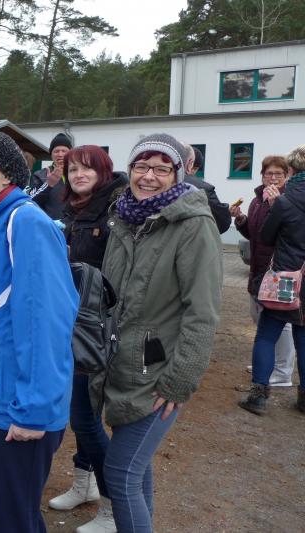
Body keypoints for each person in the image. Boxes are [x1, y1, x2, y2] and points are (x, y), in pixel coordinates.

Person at [90, 134, 222, 533]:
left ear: (178, 174)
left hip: (157, 374)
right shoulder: (123, 218)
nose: (149, 176)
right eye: (141, 166)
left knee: (120, 474)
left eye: (162, 169)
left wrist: (181, 379)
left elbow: (202, 313)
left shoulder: (193, 226)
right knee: (136, 469)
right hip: (119, 366)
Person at [0, 129, 79, 533]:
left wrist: (34, 408)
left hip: (18, 409)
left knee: (7, 522)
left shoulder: (24, 222)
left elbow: (46, 320)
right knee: (6, 518)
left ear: (6, 173)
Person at [49, 145, 127, 533]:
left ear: (104, 171)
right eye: (73, 168)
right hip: (71, 321)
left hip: (97, 328)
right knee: (81, 415)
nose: (78, 174)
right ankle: (85, 484)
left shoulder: (116, 210)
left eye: (87, 168)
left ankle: (114, 506)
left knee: (84, 417)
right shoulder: (71, 210)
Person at [239, 145, 305, 415]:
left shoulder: (285, 201)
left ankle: (258, 397)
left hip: (285, 278)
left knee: (266, 335)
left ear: (291, 171)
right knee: (303, 337)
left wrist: (275, 208)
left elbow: (265, 237)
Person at [230, 156, 295, 388]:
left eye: (279, 174)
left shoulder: (288, 200)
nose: (273, 178)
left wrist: (275, 206)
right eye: (269, 173)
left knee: (282, 323)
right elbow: (255, 234)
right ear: (262, 175)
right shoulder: (257, 200)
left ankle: (283, 372)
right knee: (259, 317)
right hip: (259, 270)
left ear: (287, 176)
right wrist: (240, 219)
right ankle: (267, 363)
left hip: (280, 272)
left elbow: (288, 233)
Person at [183, 144, 231, 234]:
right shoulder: (204, 188)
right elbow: (221, 222)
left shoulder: (159, 183)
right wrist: (226, 211)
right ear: (192, 166)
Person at [25, 132, 72, 219]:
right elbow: (31, 202)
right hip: (51, 224)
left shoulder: (77, 174)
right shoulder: (40, 175)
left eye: (64, 151)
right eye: (56, 151)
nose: (60, 154)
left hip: (75, 224)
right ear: (51, 154)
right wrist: (48, 185)